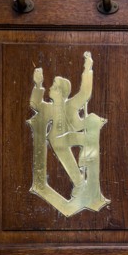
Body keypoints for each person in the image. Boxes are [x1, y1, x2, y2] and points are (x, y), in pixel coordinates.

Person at [30, 51, 94, 198]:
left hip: (75, 138)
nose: (50, 88)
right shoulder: (49, 108)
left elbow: (84, 93)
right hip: (57, 143)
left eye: (53, 86)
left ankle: (81, 181)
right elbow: (35, 104)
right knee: (59, 144)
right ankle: (79, 183)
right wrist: (38, 83)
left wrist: (87, 69)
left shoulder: (70, 105)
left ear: (59, 91)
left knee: (63, 141)